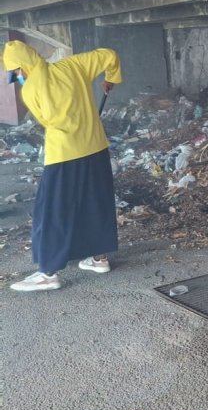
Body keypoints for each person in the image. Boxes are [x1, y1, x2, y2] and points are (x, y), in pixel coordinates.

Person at [3, 40, 123, 292]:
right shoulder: (74, 65)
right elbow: (109, 53)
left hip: (64, 154)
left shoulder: (30, 90)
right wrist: (111, 78)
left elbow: (47, 120)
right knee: (95, 201)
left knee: (53, 211)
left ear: (22, 66)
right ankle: (99, 258)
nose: (18, 78)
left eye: (16, 73)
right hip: (95, 147)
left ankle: (48, 273)